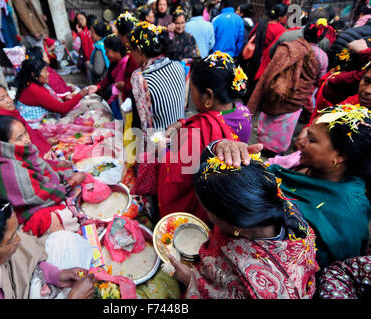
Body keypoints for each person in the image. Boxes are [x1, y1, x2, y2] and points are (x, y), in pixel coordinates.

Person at [209, 104, 371, 270]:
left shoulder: (347, 215)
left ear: (341, 155)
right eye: (306, 134)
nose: (299, 142)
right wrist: (221, 148)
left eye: (312, 140)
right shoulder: (299, 162)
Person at [168, 154, 318, 299]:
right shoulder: (274, 204)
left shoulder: (261, 287)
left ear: (235, 227)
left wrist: (190, 280)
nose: (207, 216)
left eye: (207, 211)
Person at [158, 52, 251, 225]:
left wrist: (163, 149)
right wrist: (182, 123)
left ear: (208, 96)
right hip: (221, 193)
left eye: (191, 91)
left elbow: (177, 177)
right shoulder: (244, 113)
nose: (190, 96)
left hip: (196, 198)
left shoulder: (198, 130)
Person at [0, 115, 88, 237]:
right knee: (60, 216)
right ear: (3, 145)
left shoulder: (17, 153)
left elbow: (37, 164)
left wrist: (55, 165)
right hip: (19, 218)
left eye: (25, 133)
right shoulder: (8, 172)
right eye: (19, 137)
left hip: (35, 200)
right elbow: (39, 197)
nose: (27, 139)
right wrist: (71, 183)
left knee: (77, 182)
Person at [247, 19, 328, 157]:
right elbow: (320, 78)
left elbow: (272, 69)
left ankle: (261, 147)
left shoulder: (286, 48)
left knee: (268, 124)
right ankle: (275, 154)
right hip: (295, 102)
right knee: (282, 129)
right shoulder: (322, 57)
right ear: (320, 37)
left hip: (273, 95)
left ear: (304, 32)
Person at [129, 21, 186, 133]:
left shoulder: (140, 79)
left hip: (160, 144)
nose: (131, 54)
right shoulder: (178, 66)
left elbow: (140, 124)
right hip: (182, 135)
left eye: (131, 50)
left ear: (139, 50)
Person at [0, 82, 52, 159]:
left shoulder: (9, 114)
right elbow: (13, 154)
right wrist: (41, 156)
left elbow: (28, 133)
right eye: (2, 99)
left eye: (7, 95)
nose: (9, 100)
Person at [15, 57, 89, 124]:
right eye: (44, 71)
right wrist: (81, 94)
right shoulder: (33, 89)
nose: (48, 74)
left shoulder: (34, 84)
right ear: (34, 75)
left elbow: (48, 100)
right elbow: (63, 109)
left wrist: (64, 98)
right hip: (36, 124)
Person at [240, 3, 287, 104]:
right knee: (258, 82)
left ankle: (244, 96)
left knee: (249, 76)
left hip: (254, 55)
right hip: (266, 59)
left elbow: (251, 36)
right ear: (280, 17)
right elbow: (276, 46)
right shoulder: (280, 29)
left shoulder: (261, 23)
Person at [86, 34, 129, 119]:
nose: (105, 54)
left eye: (107, 51)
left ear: (116, 50)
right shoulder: (115, 63)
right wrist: (97, 87)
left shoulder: (125, 63)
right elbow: (108, 79)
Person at [86, 20, 112, 85]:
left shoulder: (99, 49)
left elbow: (98, 70)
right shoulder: (107, 43)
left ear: (99, 34)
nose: (90, 35)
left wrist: (88, 65)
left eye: (92, 32)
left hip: (102, 83)